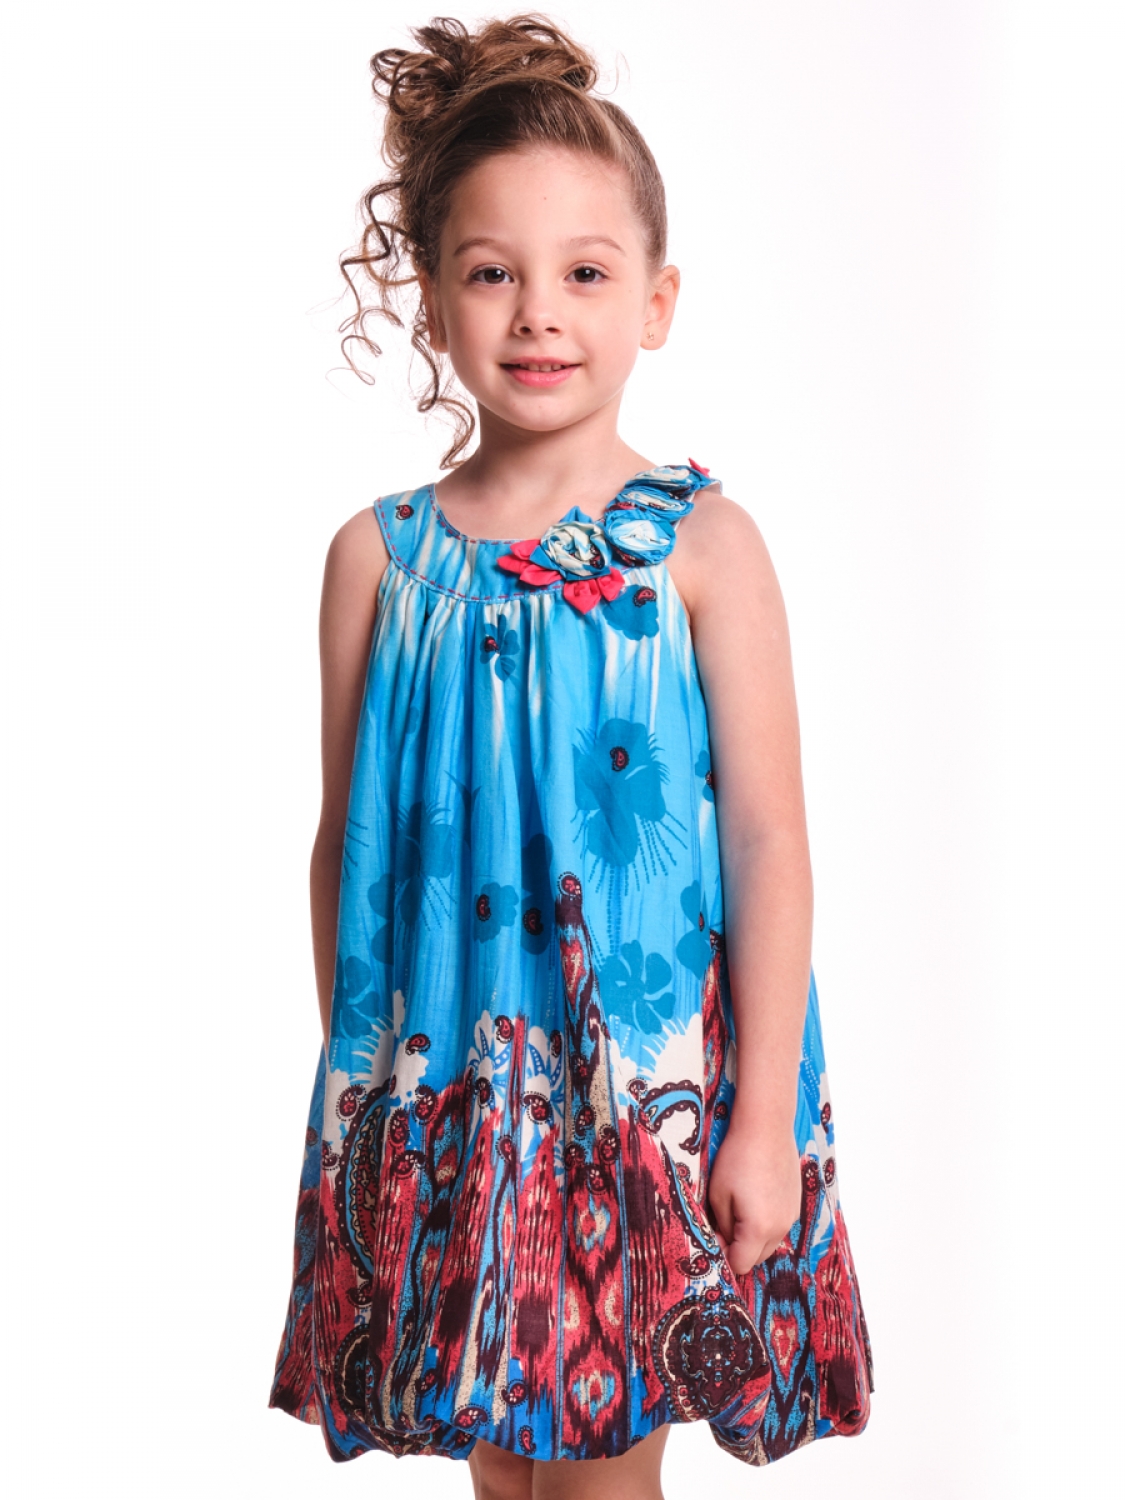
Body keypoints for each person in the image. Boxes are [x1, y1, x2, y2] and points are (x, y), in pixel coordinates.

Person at [269, 14, 873, 1498]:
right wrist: (370, 1101)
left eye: (586, 274)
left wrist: (760, 1119)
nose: (539, 313)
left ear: (656, 302)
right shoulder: (378, 563)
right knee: (499, 1472)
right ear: (432, 297)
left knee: (602, 1471)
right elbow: (348, 845)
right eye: (492, 273)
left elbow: (768, 842)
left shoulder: (704, 551)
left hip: (643, 1101)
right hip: (448, 1102)